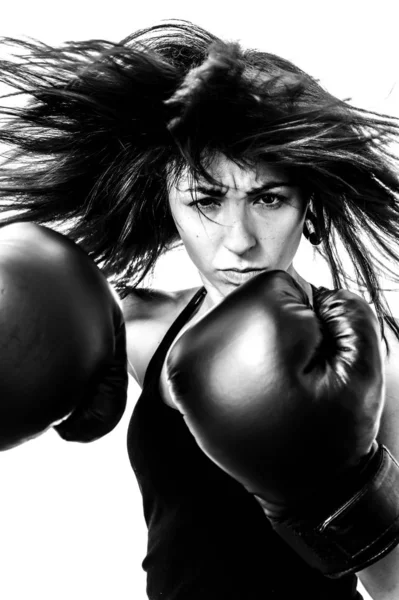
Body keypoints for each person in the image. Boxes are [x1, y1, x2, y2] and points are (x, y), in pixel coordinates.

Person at [1, 19, 399, 599]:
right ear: (168, 205)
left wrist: (327, 489)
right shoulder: (136, 328)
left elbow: (393, 587)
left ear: (307, 206)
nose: (239, 239)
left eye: (269, 198)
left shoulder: (374, 359)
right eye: (206, 199)